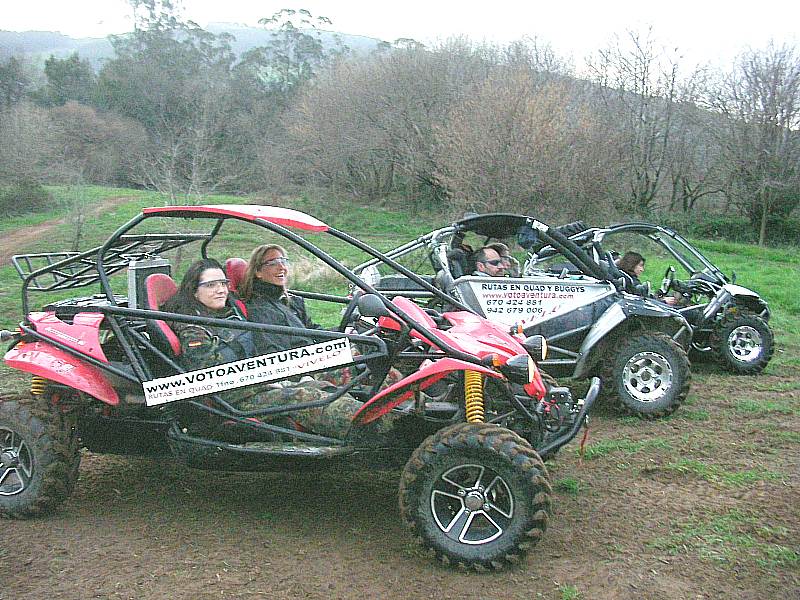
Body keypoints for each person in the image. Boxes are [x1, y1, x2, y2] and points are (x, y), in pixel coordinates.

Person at [163, 258, 366, 440]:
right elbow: (213, 379)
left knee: (320, 386)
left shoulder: (230, 314)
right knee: (307, 397)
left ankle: (374, 419)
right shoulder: (194, 330)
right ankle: (369, 430)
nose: (221, 290)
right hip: (236, 398)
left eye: (223, 283)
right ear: (194, 291)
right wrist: (268, 380)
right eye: (211, 285)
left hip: (258, 383)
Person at [238, 244, 318, 354]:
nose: (282, 267)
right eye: (273, 263)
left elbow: (313, 331)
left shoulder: (292, 301)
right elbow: (272, 350)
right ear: (258, 272)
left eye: (283, 261)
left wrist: (341, 331)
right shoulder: (259, 308)